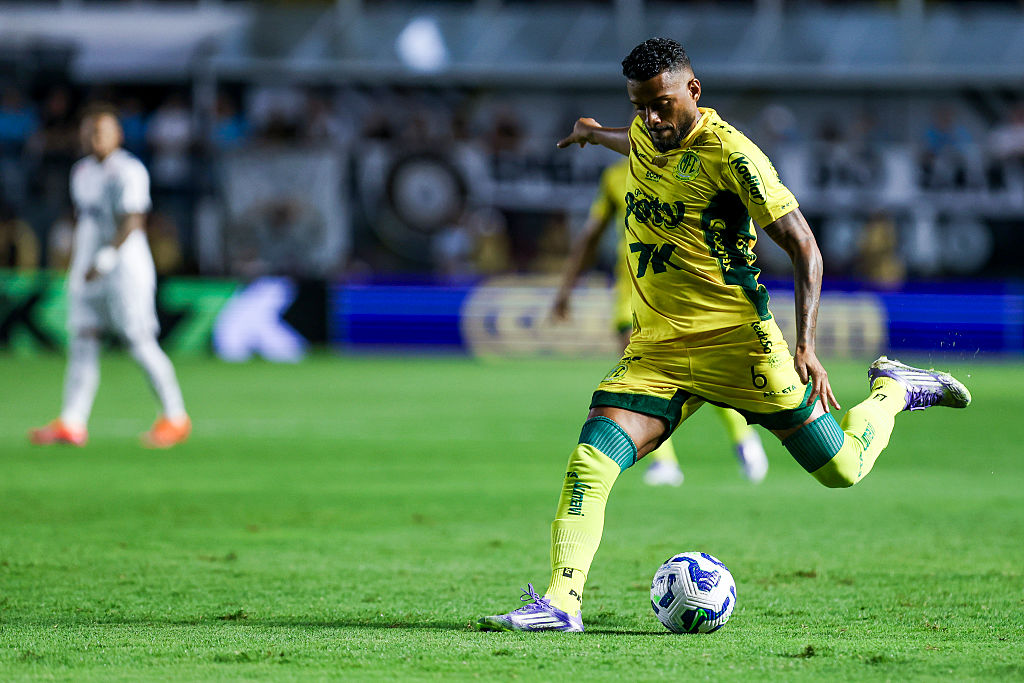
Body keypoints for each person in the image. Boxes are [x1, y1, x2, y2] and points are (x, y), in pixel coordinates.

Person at [477, 38, 970, 633]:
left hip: (739, 346)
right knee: (590, 460)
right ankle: (562, 603)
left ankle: (893, 389)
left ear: (693, 90)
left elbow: (805, 248)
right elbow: (628, 139)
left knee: (841, 469)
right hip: (657, 350)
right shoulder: (644, 133)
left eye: (661, 104)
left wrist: (806, 345)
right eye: (639, 107)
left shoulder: (733, 154)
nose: (651, 119)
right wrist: (592, 133)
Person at [553, 157, 768, 486]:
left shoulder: (684, 167)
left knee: (705, 368)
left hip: (679, 289)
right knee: (639, 375)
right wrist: (566, 289)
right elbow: (591, 235)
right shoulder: (614, 177)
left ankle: (743, 439)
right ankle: (664, 462)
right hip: (632, 291)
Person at [29, 103, 191, 449]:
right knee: (83, 342)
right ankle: (72, 422)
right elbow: (84, 219)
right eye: (88, 131)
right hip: (87, 272)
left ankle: (175, 417)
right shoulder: (81, 171)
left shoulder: (130, 170)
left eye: (100, 132)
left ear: (117, 135)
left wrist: (105, 258)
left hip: (124, 270)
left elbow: (134, 219)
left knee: (139, 341)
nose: (94, 138)